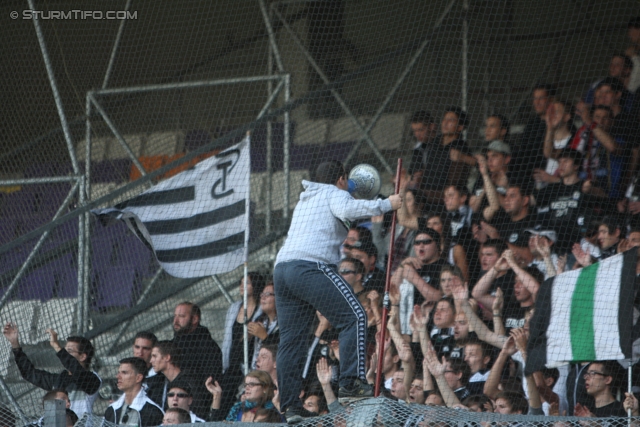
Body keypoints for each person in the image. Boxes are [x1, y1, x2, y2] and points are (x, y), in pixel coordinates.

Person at [272, 160, 401, 423]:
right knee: (354, 317)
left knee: (291, 341)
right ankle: (351, 383)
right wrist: (388, 204)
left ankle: (290, 407)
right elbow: (349, 207)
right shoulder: (334, 193)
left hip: (282, 271)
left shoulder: (307, 199)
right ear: (341, 179)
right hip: (311, 266)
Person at [2, 323, 100, 418]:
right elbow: (30, 373)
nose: (64, 354)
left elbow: (77, 371)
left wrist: (56, 346)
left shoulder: (93, 380)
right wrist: (15, 345)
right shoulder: (59, 379)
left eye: (69, 351)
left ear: (83, 356)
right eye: (64, 350)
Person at [220, 271, 266, 412]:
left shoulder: (261, 310)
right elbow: (228, 337)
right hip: (232, 364)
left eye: (246, 283)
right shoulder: (234, 308)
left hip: (249, 363)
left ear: (256, 286)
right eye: (240, 283)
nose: (242, 286)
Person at [149, 340, 210, 419]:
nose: (151, 361)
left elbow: (199, 411)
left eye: (154, 356)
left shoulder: (190, 381)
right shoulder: (162, 381)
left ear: (167, 357)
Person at [510, 84, 555, 184]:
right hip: (528, 174)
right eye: (535, 99)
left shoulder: (557, 123)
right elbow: (524, 151)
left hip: (549, 173)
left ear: (551, 100)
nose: (537, 102)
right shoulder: (531, 124)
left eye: (541, 98)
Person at [171, 302, 222, 385]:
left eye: (181, 316)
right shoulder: (172, 345)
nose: (175, 321)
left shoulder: (209, 348)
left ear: (194, 319)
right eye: (175, 316)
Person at [104, 357, 164, 427]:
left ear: (138, 378)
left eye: (124, 372)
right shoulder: (111, 409)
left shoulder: (153, 412)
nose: (118, 376)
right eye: (118, 372)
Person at [205, 370, 279, 422]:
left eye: (252, 384)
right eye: (246, 384)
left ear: (265, 388)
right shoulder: (237, 409)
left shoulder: (274, 411)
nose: (247, 388)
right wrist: (217, 396)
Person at [249, 283, 279, 370]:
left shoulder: (285, 324)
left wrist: (264, 337)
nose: (263, 297)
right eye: (262, 294)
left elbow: (280, 349)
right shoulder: (260, 320)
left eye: (268, 294)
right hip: (254, 370)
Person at [132, 331, 165, 408]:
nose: (140, 352)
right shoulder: (126, 374)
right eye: (137, 347)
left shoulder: (160, 378)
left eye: (145, 348)